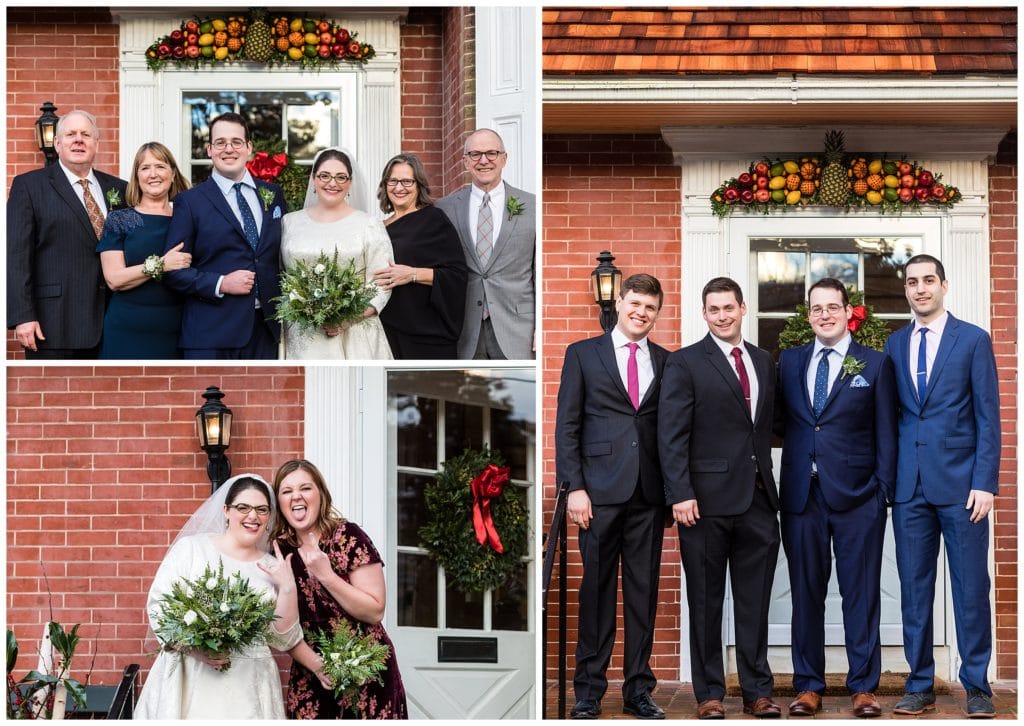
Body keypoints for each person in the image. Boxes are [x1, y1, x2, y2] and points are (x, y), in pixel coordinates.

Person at [658, 277, 781, 720]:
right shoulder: (685, 362)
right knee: (706, 603)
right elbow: (670, 435)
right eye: (714, 309)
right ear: (704, 313)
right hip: (702, 505)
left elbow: (770, 426)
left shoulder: (765, 361)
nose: (722, 316)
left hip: (759, 502)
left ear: (743, 309)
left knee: (755, 603)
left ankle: (757, 692)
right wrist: (680, 493)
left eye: (729, 307)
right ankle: (709, 693)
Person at [884, 255, 1000, 719]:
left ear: (944, 286)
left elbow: (988, 418)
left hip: (962, 487)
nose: (920, 289)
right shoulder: (895, 344)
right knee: (914, 590)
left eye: (928, 280)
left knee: (971, 588)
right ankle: (919, 683)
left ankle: (977, 685)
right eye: (912, 282)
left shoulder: (972, 340)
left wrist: (985, 483)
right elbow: (891, 418)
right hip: (909, 488)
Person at [775, 278, 897, 719]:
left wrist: (882, 491)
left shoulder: (875, 364)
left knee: (860, 594)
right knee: (805, 594)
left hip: (859, 498)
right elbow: (777, 424)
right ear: (807, 315)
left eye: (832, 306)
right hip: (801, 497)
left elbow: (887, 432)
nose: (824, 314)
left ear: (849, 312)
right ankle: (808, 685)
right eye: (816, 308)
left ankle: (863, 687)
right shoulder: (788, 362)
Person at [556, 274, 669, 720]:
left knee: (643, 597)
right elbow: (568, 426)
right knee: (597, 595)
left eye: (650, 308)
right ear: (619, 303)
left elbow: (669, 431)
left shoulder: (666, 360)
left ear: (657, 313)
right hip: (598, 495)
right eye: (635, 303)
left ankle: (638, 691)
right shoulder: (584, 354)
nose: (641, 313)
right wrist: (575, 488)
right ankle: (589, 692)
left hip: (648, 495)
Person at [135, 474, 304, 719]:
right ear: (226, 510)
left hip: (251, 684)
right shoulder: (192, 549)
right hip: (191, 675)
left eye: (261, 509)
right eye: (243, 507)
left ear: (270, 517)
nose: (252, 516)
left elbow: (282, 639)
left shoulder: (272, 567)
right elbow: (159, 606)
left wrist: (287, 587)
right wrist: (195, 649)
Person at [271, 459, 407, 719]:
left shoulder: (347, 536)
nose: (296, 496)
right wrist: (317, 665)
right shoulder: (280, 552)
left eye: (305, 488)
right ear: (280, 503)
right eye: (286, 491)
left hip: (367, 672)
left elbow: (374, 611)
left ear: (321, 495)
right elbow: (282, 628)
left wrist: (328, 576)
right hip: (311, 675)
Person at [162, 112, 286, 359]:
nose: (229, 149)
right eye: (220, 143)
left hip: (266, 331)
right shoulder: (189, 202)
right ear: (209, 149)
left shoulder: (273, 195)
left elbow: (286, 253)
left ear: (249, 148)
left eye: (236, 142)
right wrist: (221, 283)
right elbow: (173, 272)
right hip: (211, 334)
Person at [7, 109, 128, 358]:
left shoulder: (119, 188)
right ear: (57, 143)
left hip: (115, 319)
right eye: (70, 134)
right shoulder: (29, 186)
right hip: (55, 322)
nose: (78, 139)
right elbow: (16, 256)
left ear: (96, 143)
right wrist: (23, 316)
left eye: (86, 134)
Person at [281, 148, 394, 360]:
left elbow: (382, 283)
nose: (333, 183)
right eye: (325, 176)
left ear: (350, 183)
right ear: (314, 179)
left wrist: (348, 319)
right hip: (302, 335)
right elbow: (280, 275)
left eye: (341, 177)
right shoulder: (289, 223)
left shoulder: (368, 225)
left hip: (356, 333)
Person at [436, 128, 535, 360]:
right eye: (475, 154)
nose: (484, 161)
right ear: (465, 161)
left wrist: (541, 328)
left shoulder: (532, 206)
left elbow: (538, 272)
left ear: (504, 158)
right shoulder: (445, 208)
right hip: (463, 328)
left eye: (491, 153)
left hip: (518, 329)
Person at [96, 142, 192, 359]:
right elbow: (114, 279)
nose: (153, 174)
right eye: (145, 168)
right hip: (127, 329)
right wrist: (161, 264)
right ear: (137, 176)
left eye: (160, 166)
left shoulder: (188, 219)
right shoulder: (119, 219)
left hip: (179, 328)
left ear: (173, 173)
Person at [372, 153, 467, 359]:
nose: (399, 188)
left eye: (407, 181)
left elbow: (457, 276)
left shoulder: (433, 219)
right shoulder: (377, 228)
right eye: (393, 181)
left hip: (426, 336)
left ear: (419, 185)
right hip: (385, 330)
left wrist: (412, 274)